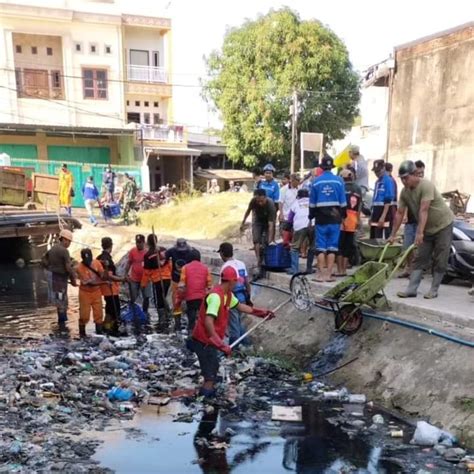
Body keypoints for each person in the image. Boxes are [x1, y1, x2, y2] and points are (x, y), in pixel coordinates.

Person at [190, 266, 275, 397]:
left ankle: (208, 396)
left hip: (211, 341)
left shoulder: (228, 295)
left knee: (214, 368)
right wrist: (219, 343)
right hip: (204, 341)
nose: (237, 283)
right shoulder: (215, 296)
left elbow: (240, 306)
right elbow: (208, 321)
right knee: (210, 377)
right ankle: (204, 403)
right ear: (230, 281)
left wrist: (261, 313)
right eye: (236, 281)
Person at [389, 160, 454, 299]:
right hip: (427, 227)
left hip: (443, 224)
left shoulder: (426, 185)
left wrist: (419, 233)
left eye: (406, 178)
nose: (404, 181)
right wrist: (392, 235)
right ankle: (411, 289)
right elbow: (400, 213)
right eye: (402, 179)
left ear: (414, 175)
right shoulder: (405, 192)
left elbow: (424, 209)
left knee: (440, 257)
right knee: (419, 257)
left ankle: (434, 289)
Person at [309, 155, 347, 282]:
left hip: (320, 218)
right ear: (331, 167)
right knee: (332, 247)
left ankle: (320, 275)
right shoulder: (339, 181)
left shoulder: (316, 181)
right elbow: (343, 202)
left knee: (320, 247)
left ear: (322, 167)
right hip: (335, 219)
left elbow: (312, 204)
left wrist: (310, 217)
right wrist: (343, 217)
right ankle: (329, 275)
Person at [218, 242, 252, 347]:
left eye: (220, 253)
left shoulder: (225, 267)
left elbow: (222, 286)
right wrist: (248, 298)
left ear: (223, 253)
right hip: (243, 296)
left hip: (231, 297)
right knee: (238, 321)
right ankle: (246, 344)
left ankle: (233, 348)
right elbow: (247, 282)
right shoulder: (241, 264)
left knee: (233, 324)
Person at [43, 229, 77, 331]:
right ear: (65, 240)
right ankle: (63, 326)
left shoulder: (53, 248)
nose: (69, 244)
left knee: (58, 302)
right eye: (69, 241)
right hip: (60, 279)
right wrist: (74, 278)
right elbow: (68, 268)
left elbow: (44, 261)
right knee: (62, 302)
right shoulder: (64, 251)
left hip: (53, 278)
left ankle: (61, 324)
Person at [240, 189, 276, 279]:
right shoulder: (253, 201)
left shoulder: (270, 204)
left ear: (265, 198)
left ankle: (266, 259)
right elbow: (248, 211)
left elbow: (271, 224)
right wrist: (243, 222)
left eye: (262, 201)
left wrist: (270, 239)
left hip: (268, 221)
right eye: (258, 201)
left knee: (267, 242)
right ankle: (258, 260)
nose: (260, 203)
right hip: (258, 220)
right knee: (256, 240)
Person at [142, 234, 172, 332]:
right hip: (167, 278)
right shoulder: (164, 250)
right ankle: (169, 317)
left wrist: (143, 284)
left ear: (148, 242)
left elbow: (146, 272)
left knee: (159, 298)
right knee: (164, 296)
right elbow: (169, 263)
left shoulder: (148, 255)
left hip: (157, 279)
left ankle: (162, 320)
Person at [178, 249, 212, 334]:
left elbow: (182, 285)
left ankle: (191, 333)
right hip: (202, 297)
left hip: (190, 297)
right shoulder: (206, 268)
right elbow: (209, 285)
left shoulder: (185, 268)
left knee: (191, 317)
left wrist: (180, 298)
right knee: (201, 317)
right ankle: (202, 335)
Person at [97, 237, 126, 335]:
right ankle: (109, 328)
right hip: (110, 288)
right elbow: (109, 276)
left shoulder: (99, 257)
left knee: (110, 308)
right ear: (111, 246)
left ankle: (107, 327)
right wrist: (122, 279)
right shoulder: (106, 259)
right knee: (114, 309)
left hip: (105, 288)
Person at [336, 169, 362, 276]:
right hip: (353, 219)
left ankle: (339, 270)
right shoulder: (358, 188)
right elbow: (359, 206)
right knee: (348, 245)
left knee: (339, 246)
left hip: (342, 219)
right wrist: (358, 219)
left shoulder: (340, 187)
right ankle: (344, 270)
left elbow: (338, 204)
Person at [165, 238, 195, 331]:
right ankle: (177, 325)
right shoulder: (172, 251)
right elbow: (164, 257)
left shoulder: (191, 252)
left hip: (188, 282)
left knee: (190, 303)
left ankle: (190, 326)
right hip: (176, 282)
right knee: (176, 303)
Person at [76, 248, 105, 337]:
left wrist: (106, 268)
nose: (87, 262)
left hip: (96, 292)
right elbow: (91, 283)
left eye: (89, 260)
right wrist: (104, 283)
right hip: (85, 293)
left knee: (99, 314)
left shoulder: (97, 263)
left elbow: (103, 275)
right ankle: (82, 334)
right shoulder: (79, 268)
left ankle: (99, 332)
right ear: (82, 258)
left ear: (92, 257)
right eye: (85, 260)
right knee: (84, 316)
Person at [287, 188, 314, 275]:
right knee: (312, 247)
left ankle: (294, 269)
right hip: (313, 225)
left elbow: (290, 219)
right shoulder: (312, 201)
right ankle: (309, 268)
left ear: (298, 196)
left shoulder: (295, 203)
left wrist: (289, 228)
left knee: (295, 248)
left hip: (300, 226)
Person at [124, 234, 150, 315]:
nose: (138, 244)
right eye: (137, 242)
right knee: (133, 297)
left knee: (146, 297)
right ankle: (133, 312)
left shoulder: (147, 252)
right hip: (134, 279)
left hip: (145, 279)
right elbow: (129, 263)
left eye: (140, 242)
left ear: (143, 242)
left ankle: (145, 312)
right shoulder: (132, 251)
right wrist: (125, 274)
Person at [370, 159, 395, 239]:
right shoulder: (377, 182)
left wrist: (383, 217)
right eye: (375, 171)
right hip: (376, 212)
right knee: (374, 237)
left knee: (383, 238)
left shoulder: (388, 180)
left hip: (384, 213)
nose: (377, 173)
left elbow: (388, 200)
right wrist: (371, 216)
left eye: (379, 171)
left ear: (384, 168)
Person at [279, 173, 301, 247]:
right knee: (285, 238)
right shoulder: (283, 189)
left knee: (294, 237)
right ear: (292, 181)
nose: (298, 182)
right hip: (286, 216)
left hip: (296, 217)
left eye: (299, 180)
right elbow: (281, 202)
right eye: (297, 180)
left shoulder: (299, 189)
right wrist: (281, 214)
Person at [385, 162, 398, 239]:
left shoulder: (390, 181)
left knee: (389, 228)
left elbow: (391, 197)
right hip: (392, 207)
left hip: (391, 207)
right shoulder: (391, 180)